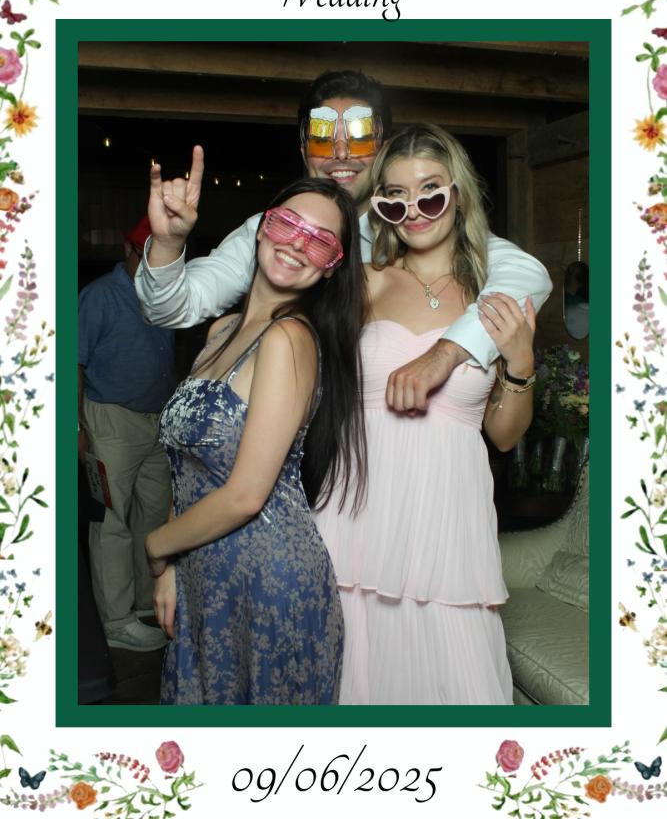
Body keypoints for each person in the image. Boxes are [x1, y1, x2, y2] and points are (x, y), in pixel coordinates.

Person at [134, 70, 552, 408]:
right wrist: (168, 244)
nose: (340, 154)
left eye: (359, 136)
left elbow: (527, 276)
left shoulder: (416, 223)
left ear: (383, 148)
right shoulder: (275, 232)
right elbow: (171, 308)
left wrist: (447, 353)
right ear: (303, 149)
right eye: (322, 138)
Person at [313, 124, 536, 705]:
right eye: (395, 197)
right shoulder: (363, 282)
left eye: (430, 192)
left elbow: (504, 436)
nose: (413, 211)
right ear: (380, 207)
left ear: (458, 193)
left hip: (449, 531)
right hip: (356, 521)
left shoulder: (493, 296)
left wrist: (520, 362)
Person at [145, 177, 367, 705]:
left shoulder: (290, 338)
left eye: (321, 241)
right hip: (203, 571)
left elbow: (245, 496)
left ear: (332, 266)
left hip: (270, 585)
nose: (297, 244)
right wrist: (174, 568)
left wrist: (156, 546)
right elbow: (189, 468)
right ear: (263, 229)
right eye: (288, 224)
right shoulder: (221, 332)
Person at [78, 217, 176, 652]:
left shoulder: (166, 294)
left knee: (153, 517)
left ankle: (143, 602)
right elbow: (72, 361)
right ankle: (115, 621)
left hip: (157, 420)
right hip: (111, 419)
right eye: (147, 256)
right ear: (128, 249)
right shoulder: (100, 296)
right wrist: (75, 426)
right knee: (111, 521)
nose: (155, 266)